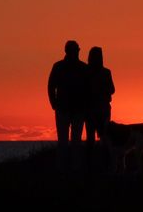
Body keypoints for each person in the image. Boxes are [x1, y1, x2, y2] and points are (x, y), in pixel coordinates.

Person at [48, 40, 88, 170]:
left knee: (74, 141)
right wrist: (54, 104)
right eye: (75, 50)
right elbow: (51, 86)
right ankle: (64, 168)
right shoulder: (59, 66)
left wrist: (54, 103)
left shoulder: (82, 67)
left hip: (77, 109)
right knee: (64, 141)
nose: (76, 52)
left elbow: (88, 88)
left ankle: (73, 168)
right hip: (64, 109)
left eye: (77, 50)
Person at [85, 47, 115, 157]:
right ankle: (101, 159)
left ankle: (93, 160)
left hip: (95, 109)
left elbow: (112, 89)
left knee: (94, 136)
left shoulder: (86, 71)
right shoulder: (105, 72)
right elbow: (112, 89)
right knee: (102, 136)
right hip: (99, 108)